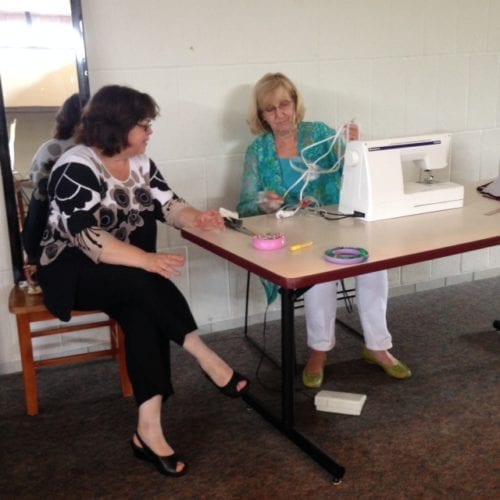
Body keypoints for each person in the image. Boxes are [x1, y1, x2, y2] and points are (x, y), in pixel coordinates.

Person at [36, 85, 249, 477]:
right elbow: (87, 237)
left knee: (142, 311)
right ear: (116, 126)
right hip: (70, 269)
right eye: (144, 125)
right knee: (143, 282)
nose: (150, 132)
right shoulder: (75, 166)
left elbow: (169, 204)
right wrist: (146, 260)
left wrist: (196, 217)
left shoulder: (140, 162)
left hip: (124, 270)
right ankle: (207, 357)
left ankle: (148, 431)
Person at [237, 72, 411, 389]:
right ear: (261, 115)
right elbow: (246, 204)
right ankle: (319, 350)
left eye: (284, 104)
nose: (280, 114)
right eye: (270, 109)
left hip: (333, 221)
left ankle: (378, 345)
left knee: (374, 263)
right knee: (320, 272)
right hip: (291, 234)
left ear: (295, 103)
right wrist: (265, 202)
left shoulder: (319, 134)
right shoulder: (258, 149)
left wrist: (354, 145)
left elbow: (354, 173)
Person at [22, 93, 86, 263]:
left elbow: (35, 179)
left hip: (46, 219)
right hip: (84, 224)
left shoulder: (49, 148)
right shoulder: (97, 149)